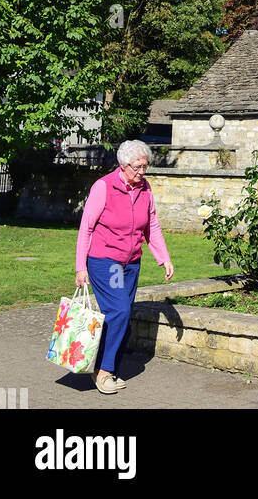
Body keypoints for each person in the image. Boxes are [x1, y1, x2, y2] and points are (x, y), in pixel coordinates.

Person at [75, 139, 174, 395]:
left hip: (131, 263)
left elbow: (151, 225)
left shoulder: (145, 188)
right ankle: (104, 371)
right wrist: (80, 267)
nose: (142, 172)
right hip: (108, 262)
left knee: (122, 317)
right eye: (137, 167)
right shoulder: (104, 187)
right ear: (123, 165)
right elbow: (86, 227)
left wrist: (163, 258)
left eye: (145, 166)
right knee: (118, 310)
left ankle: (109, 369)